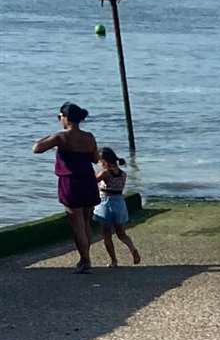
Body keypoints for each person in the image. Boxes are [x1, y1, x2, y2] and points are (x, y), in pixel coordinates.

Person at [32, 102, 100, 273]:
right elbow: (95, 159)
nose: (59, 120)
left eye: (59, 117)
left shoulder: (61, 137)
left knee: (77, 224)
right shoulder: (89, 136)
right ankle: (85, 258)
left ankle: (85, 261)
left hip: (70, 182)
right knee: (86, 222)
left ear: (66, 118)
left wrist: (50, 137)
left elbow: (36, 149)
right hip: (88, 180)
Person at [93, 147, 142, 266]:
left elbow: (92, 181)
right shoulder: (123, 174)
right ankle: (132, 248)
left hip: (106, 203)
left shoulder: (105, 173)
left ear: (104, 161)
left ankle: (114, 260)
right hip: (119, 203)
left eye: (100, 161)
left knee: (106, 235)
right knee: (121, 233)